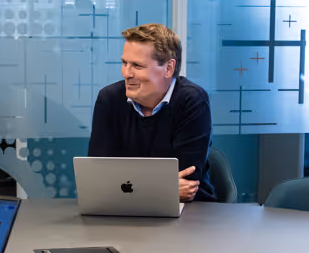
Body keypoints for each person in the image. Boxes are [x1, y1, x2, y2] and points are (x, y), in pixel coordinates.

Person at [88, 23, 215, 202]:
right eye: (124, 63)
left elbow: (187, 184)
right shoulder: (109, 99)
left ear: (169, 68)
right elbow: (96, 177)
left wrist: (125, 185)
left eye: (137, 66)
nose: (126, 73)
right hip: (123, 208)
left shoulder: (192, 100)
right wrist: (164, 187)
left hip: (190, 212)